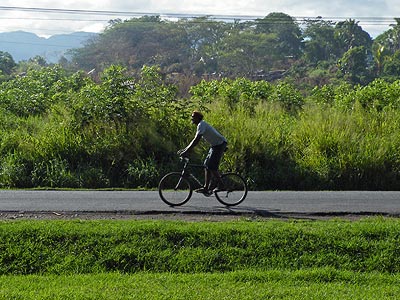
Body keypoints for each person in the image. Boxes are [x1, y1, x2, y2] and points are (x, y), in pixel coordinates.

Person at [178, 111, 227, 194]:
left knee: (211, 166)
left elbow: (196, 140)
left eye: (193, 117)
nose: (192, 118)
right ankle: (206, 188)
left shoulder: (201, 125)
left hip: (219, 145)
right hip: (215, 145)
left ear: (198, 118)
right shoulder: (200, 125)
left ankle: (222, 185)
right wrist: (185, 150)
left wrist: (186, 151)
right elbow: (194, 140)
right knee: (206, 165)